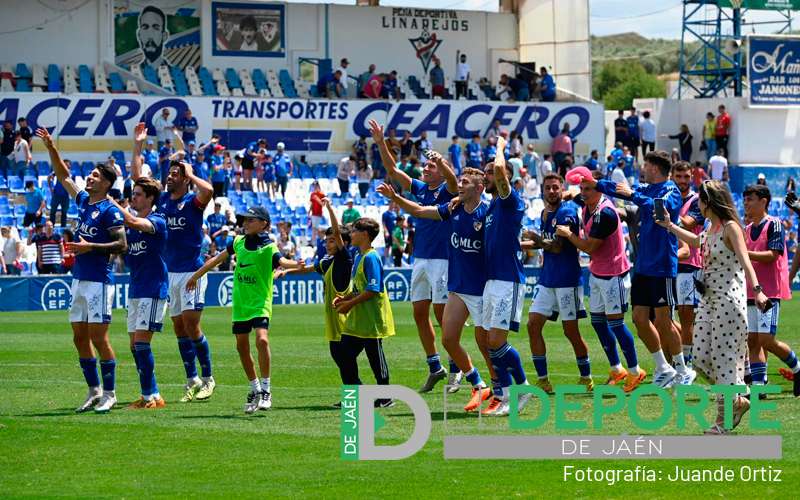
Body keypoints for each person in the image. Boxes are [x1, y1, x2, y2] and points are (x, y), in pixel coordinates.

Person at [378, 165, 495, 412]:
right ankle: (478, 384)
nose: (459, 186)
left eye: (465, 183)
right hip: (458, 286)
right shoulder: (452, 209)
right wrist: (395, 197)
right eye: (460, 182)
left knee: (488, 343)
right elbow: (420, 210)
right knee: (449, 339)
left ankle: (503, 388)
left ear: (479, 188)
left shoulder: (487, 214)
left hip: (482, 287)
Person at [658, 181, 770, 433]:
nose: (698, 205)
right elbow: (698, 242)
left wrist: (758, 292)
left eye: (700, 200)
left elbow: (745, 262)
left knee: (724, 360)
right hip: (708, 301)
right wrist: (670, 226)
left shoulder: (731, 228)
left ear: (709, 202)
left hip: (729, 302)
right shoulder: (711, 227)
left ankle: (724, 418)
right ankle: (738, 397)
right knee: (699, 357)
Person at [581, 150, 695, 388]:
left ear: (654, 167)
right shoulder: (646, 188)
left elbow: (661, 209)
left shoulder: (670, 190)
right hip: (643, 266)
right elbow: (619, 189)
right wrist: (596, 183)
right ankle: (663, 367)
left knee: (664, 321)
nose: (643, 168)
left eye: (646, 165)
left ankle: (684, 369)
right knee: (640, 319)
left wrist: (633, 194)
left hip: (662, 266)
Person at [37, 127, 127, 413]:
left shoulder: (111, 210)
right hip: (79, 280)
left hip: (99, 281)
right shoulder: (83, 202)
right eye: (90, 174)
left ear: (107, 183)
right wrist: (51, 147)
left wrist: (91, 247)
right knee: (79, 337)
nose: (90, 177)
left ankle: (110, 393)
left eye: (96, 176)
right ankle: (93, 390)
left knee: (100, 338)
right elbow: (64, 176)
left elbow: (122, 244)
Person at [371, 119, 461, 393]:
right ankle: (435, 366)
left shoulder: (448, 190)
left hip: (443, 260)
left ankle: (456, 367)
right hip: (421, 258)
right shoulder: (421, 189)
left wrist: (442, 162)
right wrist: (380, 142)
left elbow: (454, 180)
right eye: (426, 166)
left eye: (429, 166)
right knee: (419, 313)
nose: (425, 168)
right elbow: (392, 169)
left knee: (441, 314)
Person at [187, 206, 304, 413]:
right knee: (241, 347)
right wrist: (196, 275)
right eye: (245, 220)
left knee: (262, 339)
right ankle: (254, 388)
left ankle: (266, 390)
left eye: (251, 220)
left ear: (263, 224)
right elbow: (216, 259)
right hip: (241, 304)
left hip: (260, 302)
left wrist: (296, 264)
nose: (246, 223)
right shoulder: (238, 242)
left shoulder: (269, 247)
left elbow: (282, 262)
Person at [131, 122, 216, 403]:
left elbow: (210, 191)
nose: (170, 176)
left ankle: (208, 378)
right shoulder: (163, 202)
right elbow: (137, 179)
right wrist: (139, 145)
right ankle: (191, 378)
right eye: (170, 173)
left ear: (185, 178)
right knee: (179, 328)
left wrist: (191, 172)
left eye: (176, 173)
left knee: (192, 326)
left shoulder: (193, 201)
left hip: (192, 270)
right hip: (170, 274)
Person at [558, 171, 645, 392]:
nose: (583, 193)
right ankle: (617, 368)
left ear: (599, 189)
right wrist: (568, 192)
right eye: (582, 188)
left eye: (588, 188)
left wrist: (568, 234)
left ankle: (635, 371)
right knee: (597, 322)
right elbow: (574, 195)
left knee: (616, 324)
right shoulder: (587, 200)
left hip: (614, 274)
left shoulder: (604, 213)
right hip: (598, 273)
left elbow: (589, 247)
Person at [476, 135, 532, 416]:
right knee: (490, 342)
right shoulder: (491, 208)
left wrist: (499, 147)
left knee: (497, 341)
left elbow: (499, 171)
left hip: (508, 280)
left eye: (491, 172)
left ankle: (517, 392)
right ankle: (513, 394)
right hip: (492, 281)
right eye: (485, 172)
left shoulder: (510, 201)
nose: (487, 176)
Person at [524, 174, 593, 393]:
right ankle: (543, 381)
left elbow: (556, 247)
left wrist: (535, 240)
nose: (552, 191)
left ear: (561, 189)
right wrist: (517, 244)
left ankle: (586, 377)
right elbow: (544, 244)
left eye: (555, 187)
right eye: (548, 188)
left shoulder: (567, 212)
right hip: (548, 280)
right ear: (542, 191)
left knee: (570, 331)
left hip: (567, 281)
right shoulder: (546, 213)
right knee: (533, 325)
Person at [108, 177, 168, 409]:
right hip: (135, 289)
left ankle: (148, 397)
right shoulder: (130, 229)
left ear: (151, 198)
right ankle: (153, 394)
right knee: (135, 346)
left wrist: (109, 202)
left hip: (153, 289)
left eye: (139, 194)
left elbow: (134, 221)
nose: (134, 197)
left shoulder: (158, 220)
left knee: (142, 344)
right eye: (133, 193)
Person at [743, 185, 800, 397]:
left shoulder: (774, 224)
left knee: (766, 340)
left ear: (764, 201)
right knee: (753, 339)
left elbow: (773, 255)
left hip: (770, 292)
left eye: (751, 199)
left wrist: (744, 253)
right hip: (750, 291)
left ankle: (797, 368)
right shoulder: (747, 229)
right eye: (745, 199)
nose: (746, 203)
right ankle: (759, 385)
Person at [332, 217, 395, 408]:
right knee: (343, 354)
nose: (351, 234)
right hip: (359, 320)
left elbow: (372, 289)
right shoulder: (359, 256)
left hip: (371, 319)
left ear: (365, 235)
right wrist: (345, 298)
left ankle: (385, 397)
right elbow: (360, 287)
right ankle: (355, 396)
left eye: (354, 231)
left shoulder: (371, 257)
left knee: (376, 359)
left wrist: (349, 305)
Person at [671, 162, 705, 371]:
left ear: (691, 176)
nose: (683, 180)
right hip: (668, 264)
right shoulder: (669, 199)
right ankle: (679, 358)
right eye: (679, 176)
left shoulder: (697, 201)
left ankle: (686, 362)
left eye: (686, 176)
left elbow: (689, 224)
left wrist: (666, 215)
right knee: (662, 316)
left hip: (689, 265)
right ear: (672, 176)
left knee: (686, 315)